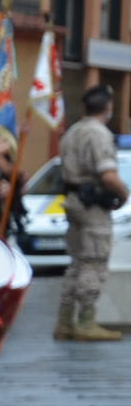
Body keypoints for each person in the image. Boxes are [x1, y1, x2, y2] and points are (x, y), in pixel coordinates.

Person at [57, 83, 127, 341]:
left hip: (74, 201)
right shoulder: (99, 133)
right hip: (93, 205)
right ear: (108, 107)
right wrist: (124, 192)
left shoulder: (72, 131)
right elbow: (107, 175)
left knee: (76, 262)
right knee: (93, 261)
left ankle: (64, 321)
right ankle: (86, 321)